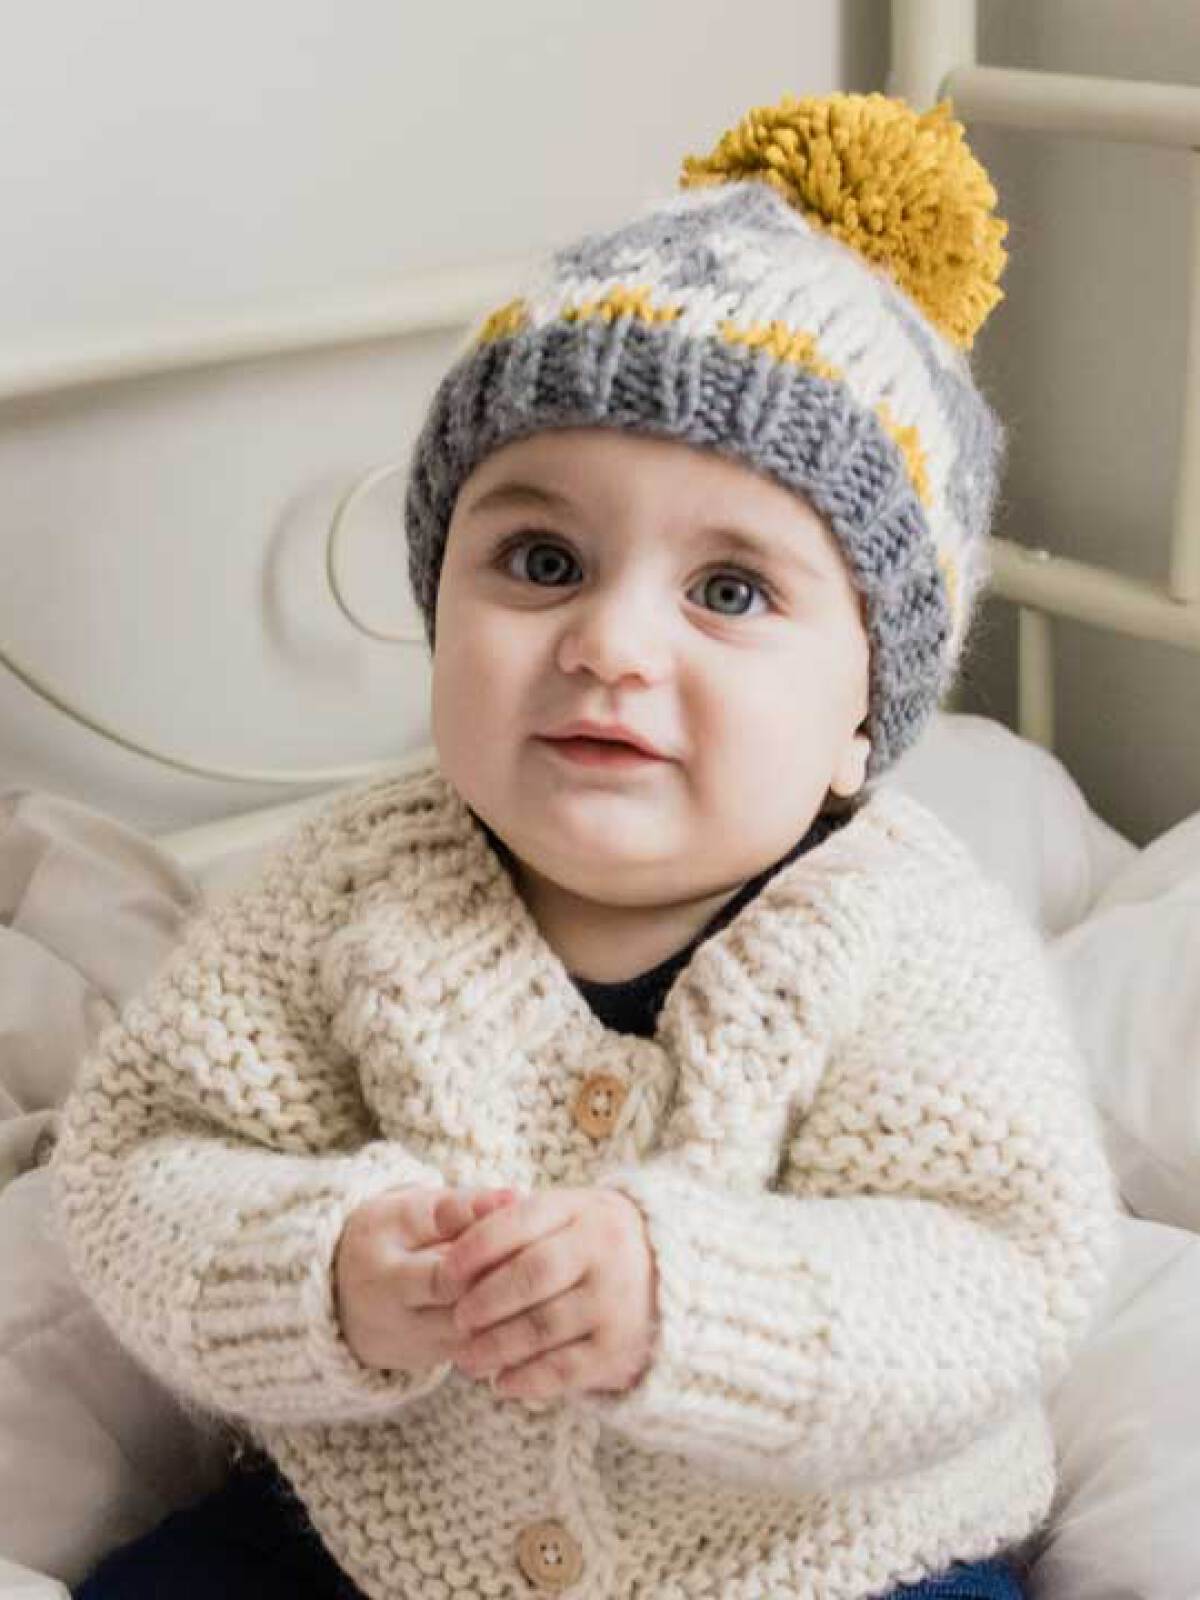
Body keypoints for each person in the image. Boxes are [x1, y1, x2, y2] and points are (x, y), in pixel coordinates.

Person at [52, 92, 1118, 1600]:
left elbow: (995, 1275)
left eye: (732, 592)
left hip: (816, 1550)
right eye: (541, 562)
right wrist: (330, 1270)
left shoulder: (903, 939)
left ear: (859, 718)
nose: (609, 644)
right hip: (395, 1528)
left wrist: (688, 1302)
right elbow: (142, 1169)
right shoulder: (344, 895)